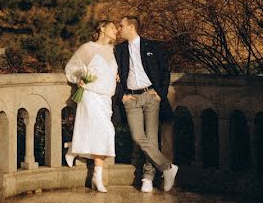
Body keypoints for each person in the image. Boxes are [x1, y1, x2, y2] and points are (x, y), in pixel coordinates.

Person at [114, 15, 178, 193]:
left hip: (151, 96)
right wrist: (122, 96)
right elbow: (114, 74)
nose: (119, 29)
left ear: (131, 28)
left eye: (121, 26)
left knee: (151, 138)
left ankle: (148, 177)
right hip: (131, 99)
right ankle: (167, 167)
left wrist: (160, 93)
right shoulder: (119, 50)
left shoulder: (152, 46)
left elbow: (165, 71)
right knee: (137, 136)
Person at [64, 19, 118, 192]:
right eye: (112, 27)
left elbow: (109, 71)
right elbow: (71, 68)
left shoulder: (112, 50)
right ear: (102, 29)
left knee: (100, 134)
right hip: (90, 94)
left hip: (106, 98)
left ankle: (74, 148)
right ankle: (97, 176)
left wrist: (114, 76)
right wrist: (79, 78)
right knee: (106, 132)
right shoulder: (88, 48)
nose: (116, 30)